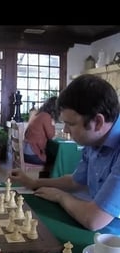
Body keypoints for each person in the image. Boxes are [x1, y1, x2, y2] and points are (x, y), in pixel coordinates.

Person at [10, 74, 120, 235]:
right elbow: (75, 181)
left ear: (98, 122)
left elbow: (94, 219)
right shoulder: (95, 139)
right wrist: (33, 182)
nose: (66, 130)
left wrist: (61, 197)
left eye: (70, 124)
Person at [23, 96, 58, 165]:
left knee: (53, 157)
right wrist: (53, 123)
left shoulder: (38, 115)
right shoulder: (46, 116)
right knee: (58, 161)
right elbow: (51, 136)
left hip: (26, 153)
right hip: (33, 154)